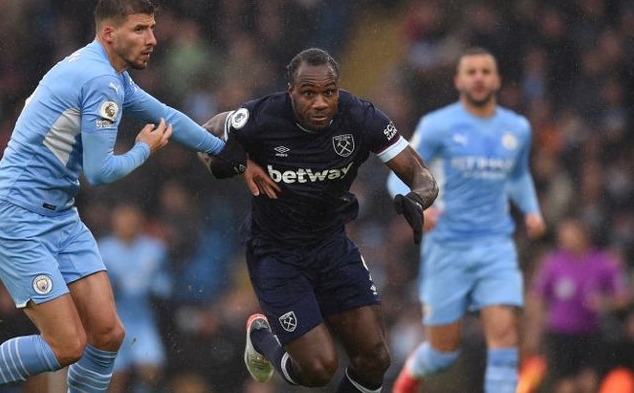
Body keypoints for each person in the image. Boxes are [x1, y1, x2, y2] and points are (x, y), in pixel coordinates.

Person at [0, 0, 246, 393]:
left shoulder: (109, 75)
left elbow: (168, 115)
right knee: (67, 345)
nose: (152, 40)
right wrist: (145, 148)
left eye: (152, 29)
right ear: (109, 34)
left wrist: (232, 156)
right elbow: (100, 172)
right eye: (139, 29)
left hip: (60, 216)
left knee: (108, 333)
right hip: (16, 217)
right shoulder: (100, 80)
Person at [199, 47, 439, 393]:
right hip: (277, 255)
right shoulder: (261, 117)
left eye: (329, 92)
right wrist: (239, 164)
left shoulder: (360, 117)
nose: (321, 103)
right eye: (308, 93)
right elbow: (203, 140)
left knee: (375, 360)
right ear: (290, 90)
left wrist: (418, 200)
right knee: (318, 369)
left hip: (331, 247)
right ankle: (262, 336)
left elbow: (420, 173)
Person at [388, 47, 546, 393]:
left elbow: (518, 177)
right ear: (459, 81)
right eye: (471, 71)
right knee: (442, 351)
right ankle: (410, 375)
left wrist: (532, 210)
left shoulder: (516, 129)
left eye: (485, 71)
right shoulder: (436, 127)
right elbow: (396, 176)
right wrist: (421, 207)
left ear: (496, 80)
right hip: (447, 247)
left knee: (504, 338)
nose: (478, 77)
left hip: (495, 245)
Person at [526, 217, 630, 393]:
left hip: (590, 334)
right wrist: (534, 330)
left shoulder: (603, 262)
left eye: (569, 234)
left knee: (588, 384)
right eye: (562, 236)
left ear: (583, 235)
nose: (564, 240)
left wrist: (605, 303)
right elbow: (536, 297)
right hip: (560, 335)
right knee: (566, 386)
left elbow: (623, 298)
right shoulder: (553, 263)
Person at [98, 202, 171, 393]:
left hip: (143, 321)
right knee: (115, 379)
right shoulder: (102, 250)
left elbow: (166, 285)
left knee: (151, 372)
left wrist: (153, 286)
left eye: (132, 217)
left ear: (139, 220)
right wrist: (117, 286)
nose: (127, 222)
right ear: (114, 221)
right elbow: (96, 290)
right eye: (122, 218)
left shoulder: (154, 249)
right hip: (113, 322)